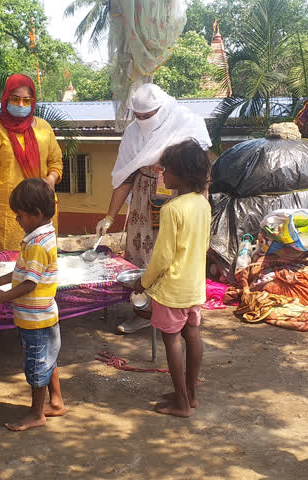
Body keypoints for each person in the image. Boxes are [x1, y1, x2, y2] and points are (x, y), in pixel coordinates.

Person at [97, 83, 211, 334]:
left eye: (147, 116)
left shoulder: (187, 122)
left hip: (178, 196)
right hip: (141, 199)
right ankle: (142, 312)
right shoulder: (132, 134)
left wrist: (201, 201)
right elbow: (125, 176)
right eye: (137, 116)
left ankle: (179, 309)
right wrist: (109, 217)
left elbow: (202, 168)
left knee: (175, 254)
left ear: (162, 108)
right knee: (141, 253)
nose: (142, 120)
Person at [0, 178, 66, 431]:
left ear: (36, 214)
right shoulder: (42, 236)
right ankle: (56, 402)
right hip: (44, 315)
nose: (17, 220)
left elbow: (29, 285)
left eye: (20, 216)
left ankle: (37, 414)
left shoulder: (37, 245)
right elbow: (21, 273)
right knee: (48, 359)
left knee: (37, 366)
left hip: (36, 320)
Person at [133, 140, 211, 417]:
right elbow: (201, 246)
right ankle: (190, 394)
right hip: (194, 286)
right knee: (193, 335)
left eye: (165, 169)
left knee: (171, 340)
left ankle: (180, 402)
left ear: (180, 173)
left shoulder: (172, 209)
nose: (161, 174)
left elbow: (162, 257)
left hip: (172, 289)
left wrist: (142, 282)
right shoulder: (203, 204)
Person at [0, 74, 63, 251]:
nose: (21, 105)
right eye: (15, 99)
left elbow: (56, 160)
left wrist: (51, 179)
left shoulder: (44, 128)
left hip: (42, 209)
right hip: (9, 212)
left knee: (42, 261)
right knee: (9, 264)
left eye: (26, 100)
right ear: (6, 98)